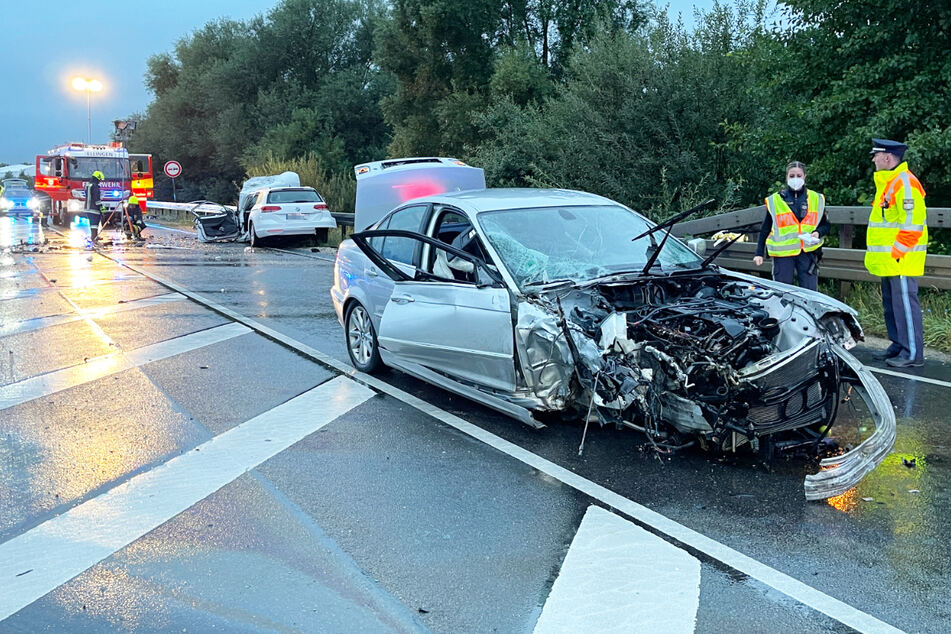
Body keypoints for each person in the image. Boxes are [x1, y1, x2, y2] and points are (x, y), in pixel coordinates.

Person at [865, 138, 927, 368]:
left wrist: (897, 252)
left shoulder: (905, 183)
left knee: (905, 307)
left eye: (876, 155)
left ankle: (912, 353)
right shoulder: (888, 182)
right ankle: (898, 344)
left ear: (887, 158)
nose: (873, 159)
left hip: (901, 259)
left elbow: (913, 224)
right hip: (891, 259)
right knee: (892, 306)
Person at [753, 161, 830, 290]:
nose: (796, 179)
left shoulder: (816, 198)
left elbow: (825, 225)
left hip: (808, 253)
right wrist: (759, 253)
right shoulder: (776, 200)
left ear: (805, 176)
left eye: (799, 176)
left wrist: (818, 233)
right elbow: (765, 229)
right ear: (786, 177)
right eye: (792, 176)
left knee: (810, 294)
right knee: (783, 293)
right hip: (783, 255)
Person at [84, 170, 105, 246]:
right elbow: (96, 198)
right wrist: (101, 207)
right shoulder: (95, 186)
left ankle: (94, 236)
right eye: (100, 180)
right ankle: (94, 237)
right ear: (97, 178)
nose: (100, 181)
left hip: (87, 208)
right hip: (94, 208)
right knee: (95, 223)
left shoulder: (88, 185)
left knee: (92, 223)